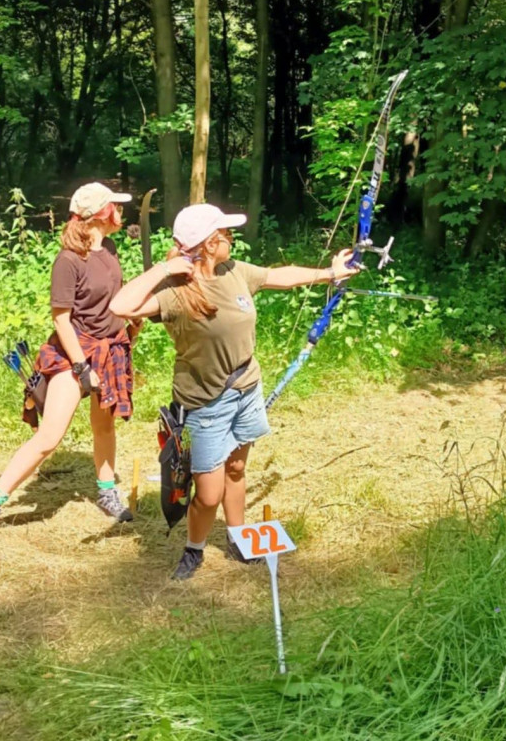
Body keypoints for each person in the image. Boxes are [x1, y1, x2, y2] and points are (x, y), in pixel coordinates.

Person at [109, 203, 359, 580]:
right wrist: (163, 269)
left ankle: (240, 539)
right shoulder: (176, 292)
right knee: (207, 495)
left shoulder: (234, 270)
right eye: (224, 234)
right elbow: (120, 305)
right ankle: (194, 550)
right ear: (209, 244)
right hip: (205, 403)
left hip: (246, 389)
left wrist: (329, 273)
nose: (230, 238)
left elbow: (279, 275)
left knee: (238, 468)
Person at [0, 182, 139, 529]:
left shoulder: (109, 249)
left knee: (104, 426)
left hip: (109, 349)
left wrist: (130, 324)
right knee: (49, 437)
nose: (120, 211)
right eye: (115, 206)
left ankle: (106, 490)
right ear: (100, 214)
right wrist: (82, 368)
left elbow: (112, 302)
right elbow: (61, 319)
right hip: (73, 354)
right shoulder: (68, 261)